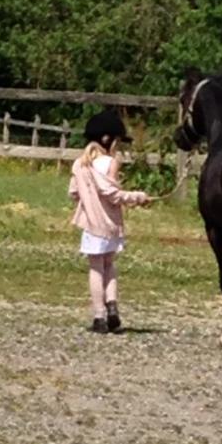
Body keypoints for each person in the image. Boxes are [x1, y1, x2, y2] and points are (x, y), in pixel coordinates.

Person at [68, 109, 150, 333]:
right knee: (109, 265)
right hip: (111, 225)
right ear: (108, 140)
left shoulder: (79, 164)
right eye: (117, 142)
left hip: (92, 226)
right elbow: (113, 194)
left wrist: (87, 196)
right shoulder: (112, 162)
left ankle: (99, 316)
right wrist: (137, 197)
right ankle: (112, 305)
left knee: (95, 269)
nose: (118, 147)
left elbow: (73, 192)